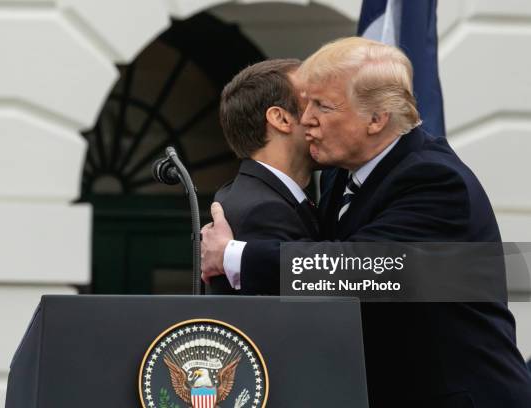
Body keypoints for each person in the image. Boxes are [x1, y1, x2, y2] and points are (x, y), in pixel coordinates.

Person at [201, 37, 531, 407]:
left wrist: (233, 256)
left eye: (322, 105)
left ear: (376, 118)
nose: (306, 118)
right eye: (306, 102)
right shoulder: (344, 175)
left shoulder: (435, 179)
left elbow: (362, 268)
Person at [207, 58, 320, 295]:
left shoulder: (254, 193)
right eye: (314, 102)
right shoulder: (265, 210)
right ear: (281, 118)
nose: (321, 113)